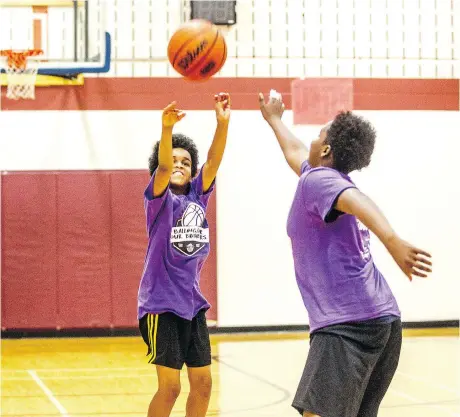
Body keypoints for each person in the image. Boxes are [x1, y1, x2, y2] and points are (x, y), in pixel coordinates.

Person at [258, 91, 432, 417]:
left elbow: (355, 200)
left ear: (325, 149)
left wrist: (392, 241)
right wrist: (275, 120)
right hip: (381, 320)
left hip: (348, 324)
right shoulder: (319, 177)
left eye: (319, 132)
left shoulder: (322, 181)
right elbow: (295, 151)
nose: (312, 137)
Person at [138, 93, 231, 417]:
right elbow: (164, 165)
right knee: (171, 387)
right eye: (175, 160)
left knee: (203, 384)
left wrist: (222, 123)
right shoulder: (158, 200)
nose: (180, 164)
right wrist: (166, 129)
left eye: (186, 162)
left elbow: (214, 161)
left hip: (191, 305)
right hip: (160, 305)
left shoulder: (197, 196)